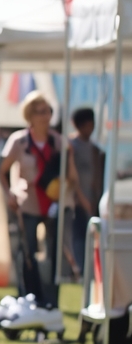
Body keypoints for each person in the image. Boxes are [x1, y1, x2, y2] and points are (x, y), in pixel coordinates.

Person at [0, 90, 80, 313]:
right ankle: (28, 297)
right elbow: (2, 170)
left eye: (48, 111)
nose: (45, 116)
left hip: (56, 203)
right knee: (28, 251)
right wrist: (9, 193)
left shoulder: (60, 142)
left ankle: (51, 301)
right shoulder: (19, 141)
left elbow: (73, 177)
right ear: (30, 115)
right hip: (29, 202)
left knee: (54, 254)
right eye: (40, 111)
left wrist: (64, 179)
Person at [68, 106, 104, 275]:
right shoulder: (70, 146)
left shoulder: (95, 149)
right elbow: (72, 176)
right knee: (78, 236)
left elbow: (97, 176)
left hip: (91, 199)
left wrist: (95, 198)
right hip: (76, 200)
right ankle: (80, 269)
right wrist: (81, 198)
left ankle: (91, 269)